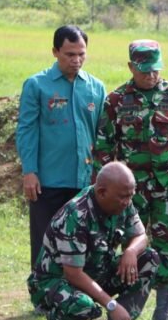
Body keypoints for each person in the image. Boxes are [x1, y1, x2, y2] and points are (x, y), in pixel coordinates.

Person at [94, 40, 168, 320]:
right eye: (144, 71)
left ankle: (164, 311)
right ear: (131, 67)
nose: (151, 76)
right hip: (129, 192)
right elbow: (105, 147)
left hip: (167, 186)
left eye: (155, 70)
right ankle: (130, 306)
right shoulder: (116, 100)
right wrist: (99, 186)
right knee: (132, 243)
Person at [27, 162, 160, 320]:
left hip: (96, 271)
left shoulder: (123, 202)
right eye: (122, 197)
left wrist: (130, 251)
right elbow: (73, 274)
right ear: (102, 192)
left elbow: (141, 236)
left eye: (130, 196)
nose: (126, 201)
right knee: (83, 305)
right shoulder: (76, 215)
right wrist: (112, 305)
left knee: (149, 259)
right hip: (58, 282)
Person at [16, 25, 106, 271]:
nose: (76, 60)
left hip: (85, 181)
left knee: (83, 241)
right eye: (69, 54)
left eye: (81, 54)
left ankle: (77, 296)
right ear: (55, 52)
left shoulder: (96, 88)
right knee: (46, 240)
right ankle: (43, 294)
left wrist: (102, 173)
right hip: (49, 180)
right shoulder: (37, 85)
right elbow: (27, 131)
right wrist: (30, 171)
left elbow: (103, 134)